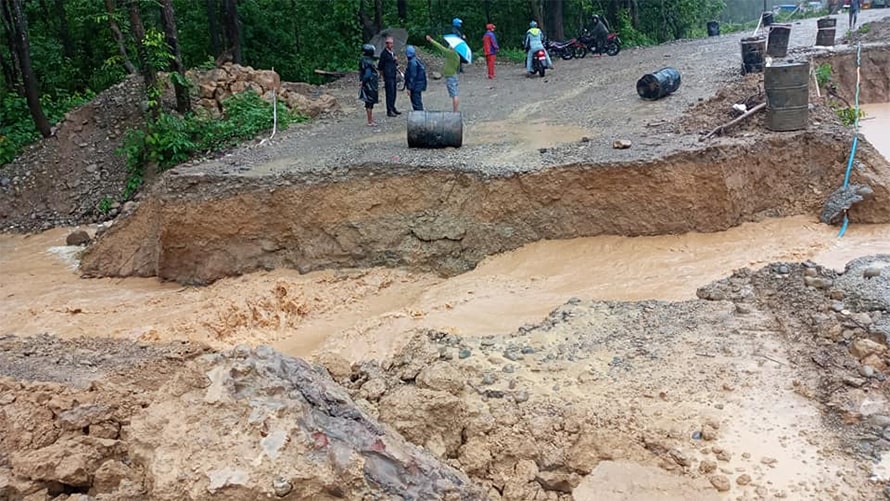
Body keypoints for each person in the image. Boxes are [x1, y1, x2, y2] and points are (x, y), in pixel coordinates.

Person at [425, 34, 460, 112]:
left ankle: (455, 112)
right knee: (455, 93)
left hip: (450, 76)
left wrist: (431, 40)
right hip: (454, 75)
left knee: (454, 95)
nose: (449, 46)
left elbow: (440, 47)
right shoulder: (457, 56)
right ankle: (455, 110)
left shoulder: (451, 53)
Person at [377, 36, 401, 117]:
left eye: (392, 43)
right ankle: (389, 110)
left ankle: (393, 107)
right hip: (388, 75)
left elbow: (395, 63)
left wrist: (395, 60)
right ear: (386, 44)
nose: (391, 45)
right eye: (390, 43)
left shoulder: (392, 52)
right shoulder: (384, 53)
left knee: (394, 92)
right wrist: (382, 75)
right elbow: (380, 66)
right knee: (389, 93)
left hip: (393, 74)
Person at [358, 44, 379, 126]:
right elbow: (367, 74)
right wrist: (363, 81)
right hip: (370, 84)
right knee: (369, 102)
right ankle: (370, 121)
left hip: (369, 83)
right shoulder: (368, 61)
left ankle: (370, 119)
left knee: (368, 102)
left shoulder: (364, 60)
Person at [403, 45, 427, 111]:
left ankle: (420, 117)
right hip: (419, 85)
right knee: (418, 101)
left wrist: (409, 88)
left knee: (416, 103)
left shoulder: (412, 63)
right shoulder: (417, 60)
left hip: (415, 86)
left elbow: (412, 77)